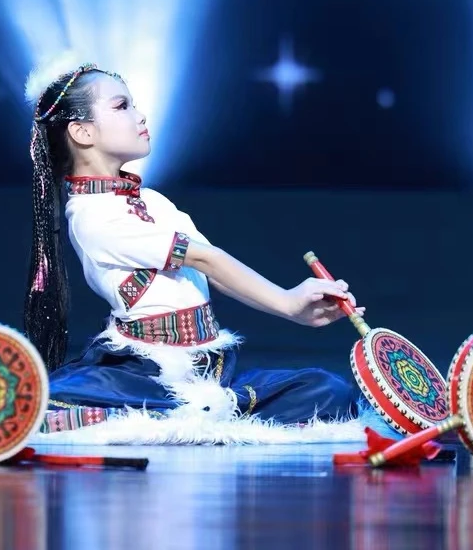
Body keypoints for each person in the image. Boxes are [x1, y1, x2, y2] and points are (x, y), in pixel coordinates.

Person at [22, 54, 373, 433]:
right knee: (40, 404)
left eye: (134, 105)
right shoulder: (92, 215)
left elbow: (210, 270)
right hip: (145, 370)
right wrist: (287, 302)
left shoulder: (152, 201)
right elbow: (207, 258)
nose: (140, 115)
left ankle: (193, 414)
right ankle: (169, 416)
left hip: (208, 366)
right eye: (122, 106)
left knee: (327, 390)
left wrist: (295, 307)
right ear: (83, 133)